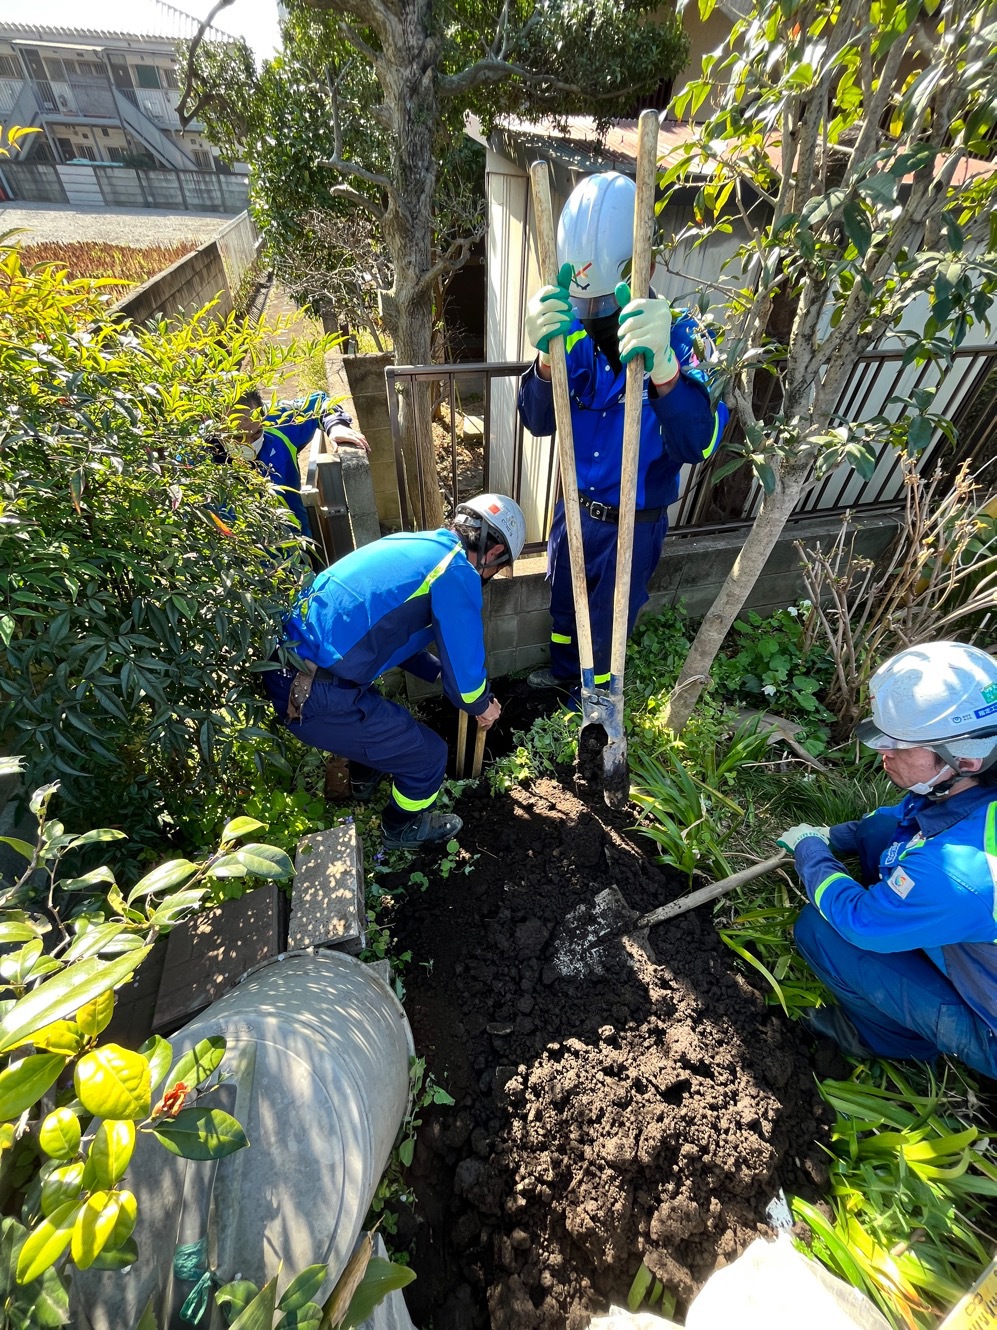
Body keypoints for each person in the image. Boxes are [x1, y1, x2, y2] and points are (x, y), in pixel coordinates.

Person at [517, 170, 727, 690]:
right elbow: (538, 421)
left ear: (645, 265)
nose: (594, 318)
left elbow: (699, 443)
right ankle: (564, 678)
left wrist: (666, 370)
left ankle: (595, 701)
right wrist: (543, 362)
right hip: (574, 512)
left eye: (602, 306)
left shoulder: (685, 335)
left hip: (634, 524)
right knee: (564, 608)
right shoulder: (571, 331)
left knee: (610, 624)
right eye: (586, 306)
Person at [777, 641, 997, 1078]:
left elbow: (859, 921)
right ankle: (912, 926)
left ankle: (894, 1041)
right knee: (878, 830)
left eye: (901, 746)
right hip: (965, 930)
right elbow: (903, 819)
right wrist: (832, 836)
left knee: (822, 930)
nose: (885, 754)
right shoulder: (967, 786)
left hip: (990, 1025)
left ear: (965, 757)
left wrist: (810, 852)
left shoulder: (958, 874)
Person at [263, 493, 527, 850]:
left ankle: (363, 778)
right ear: (494, 552)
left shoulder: (419, 545)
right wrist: (481, 705)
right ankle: (401, 827)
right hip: (315, 694)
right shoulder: (456, 571)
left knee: (386, 727)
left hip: (291, 666)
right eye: (499, 568)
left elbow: (388, 632)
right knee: (428, 756)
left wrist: (437, 672)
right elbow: (467, 687)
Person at [214, 389, 369, 536]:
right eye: (236, 437)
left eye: (256, 434)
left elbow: (321, 403)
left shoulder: (279, 423)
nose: (248, 444)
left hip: (295, 540)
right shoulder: (201, 456)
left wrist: (336, 425)